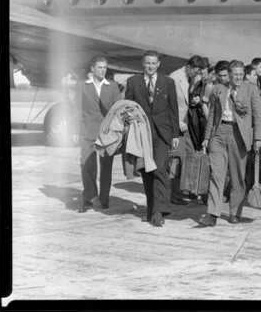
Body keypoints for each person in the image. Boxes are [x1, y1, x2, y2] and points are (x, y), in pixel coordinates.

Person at [199, 60, 261, 226]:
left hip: (239, 135)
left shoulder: (251, 89)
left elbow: (258, 115)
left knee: (237, 177)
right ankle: (212, 214)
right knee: (217, 174)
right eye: (235, 74)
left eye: (241, 74)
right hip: (219, 133)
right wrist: (207, 138)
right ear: (228, 74)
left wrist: (258, 138)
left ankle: (235, 212)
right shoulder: (218, 89)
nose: (238, 77)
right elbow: (212, 116)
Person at [125, 51, 180, 227]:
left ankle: (159, 212)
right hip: (142, 134)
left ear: (158, 64)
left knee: (158, 169)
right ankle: (152, 210)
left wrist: (175, 134)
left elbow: (173, 109)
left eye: (153, 63)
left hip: (162, 133)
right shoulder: (133, 82)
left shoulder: (168, 82)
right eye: (147, 63)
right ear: (143, 63)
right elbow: (128, 106)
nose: (150, 66)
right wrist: (130, 117)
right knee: (147, 172)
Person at [76, 55, 122, 212]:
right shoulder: (82, 86)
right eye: (100, 67)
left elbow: (118, 111)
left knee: (106, 167)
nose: (103, 70)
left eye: (105, 67)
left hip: (106, 134)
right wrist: (76, 131)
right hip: (87, 131)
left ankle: (104, 198)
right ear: (92, 69)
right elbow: (77, 110)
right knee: (87, 165)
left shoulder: (113, 86)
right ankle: (88, 198)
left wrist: (117, 132)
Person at [169, 55, 205, 205]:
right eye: (194, 72)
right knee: (177, 158)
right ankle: (174, 193)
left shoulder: (193, 77)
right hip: (178, 122)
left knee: (190, 156)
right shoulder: (174, 78)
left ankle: (188, 188)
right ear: (188, 67)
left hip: (189, 123)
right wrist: (177, 121)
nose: (196, 75)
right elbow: (168, 103)